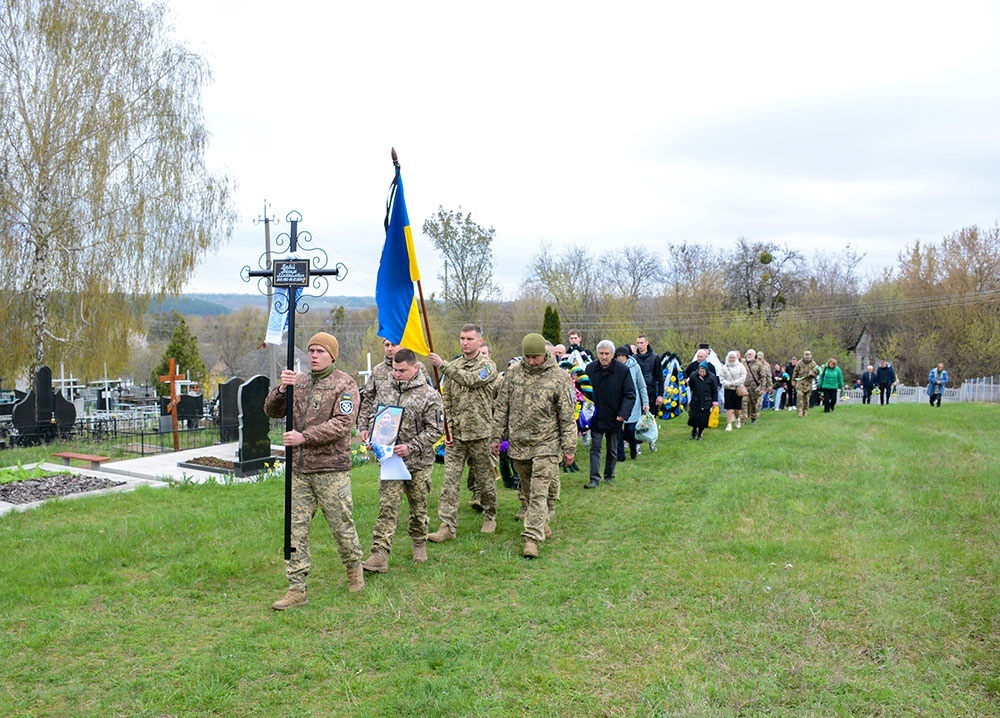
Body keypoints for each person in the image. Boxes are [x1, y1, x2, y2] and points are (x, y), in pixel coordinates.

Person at [264, 332, 364, 610]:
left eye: (321, 351)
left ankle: (354, 569)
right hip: (300, 470)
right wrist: (282, 389)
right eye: (311, 351)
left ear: (332, 355)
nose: (315, 355)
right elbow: (272, 411)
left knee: (341, 525)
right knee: (295, 530)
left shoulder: (345, 384)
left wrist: (304, 437)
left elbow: (343, 424)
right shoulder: (301, 382)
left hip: (331, 469)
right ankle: (297, 587)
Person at [491, 334, 576, 558]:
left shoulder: (559, 377)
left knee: (539, 491)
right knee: (528, 490)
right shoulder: (513, 374)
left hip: (547, 443)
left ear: (544, 355)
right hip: (519, 443)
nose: (531, 361)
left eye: (535, 357)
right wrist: (496, 437)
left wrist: (569, 447)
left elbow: (567, 416)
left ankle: (531, 538)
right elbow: (502, 408)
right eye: (527, 357)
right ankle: (542, 523)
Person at [360, 349, 443, 574]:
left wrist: (411, 447)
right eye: (395, 370)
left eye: (402, 370)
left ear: (415, 368)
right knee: (387, 506)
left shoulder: (429, 395)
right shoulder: (385, 388)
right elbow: (374, 413)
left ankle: (419, 541)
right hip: (390, 460)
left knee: (418, 506)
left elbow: (435, 430)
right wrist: (369, 433)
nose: (397, 374)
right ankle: (380, 554)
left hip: (418, 462)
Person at [427, 324, 499, 541]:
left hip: (480, 433)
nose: (465, 343)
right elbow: (445, 397)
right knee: (450, 481)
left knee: (485, 479)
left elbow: (472, 380)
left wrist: (443, 366)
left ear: (479, 341)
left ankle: (490, 515)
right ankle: (447, 525)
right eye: (462, 338)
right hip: (456, 434)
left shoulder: (488, 366)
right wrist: (446, 428)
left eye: (469, 339)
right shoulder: (454, 365)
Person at [584, 340, 635, 489]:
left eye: (607, 354)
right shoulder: (590, 369)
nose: (604, 357)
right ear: (597, 354)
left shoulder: (622, 370)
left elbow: (630, 394)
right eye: (601, 353)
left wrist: (623, 413)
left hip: (615, 416)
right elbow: (584, 391)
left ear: (612, 355)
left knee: (612, 449)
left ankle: (609, 474)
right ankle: (594, 478)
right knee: (595, 447)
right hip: (597, 417)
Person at [615, 345, 648, 461]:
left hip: (633, 403)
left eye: (622, 356)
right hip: (617, 403)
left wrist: (646, 402)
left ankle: (633, 447)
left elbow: (642, 386)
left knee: (630, 430)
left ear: (627, 356)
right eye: (618, 356)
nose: (620, 358)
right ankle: (620, 455)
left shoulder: (635, 367)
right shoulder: (613, 368)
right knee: (617, 430)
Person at [634, 335, 664, 426]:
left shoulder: (655, 358)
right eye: (638, 343)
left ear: (647, 343)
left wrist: (660, 395)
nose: (640, 345)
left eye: (642, 343)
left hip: (650, 391)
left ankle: (650, 436)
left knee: (650, 417)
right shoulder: (633, 358)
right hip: (637, 392)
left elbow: (660, 377)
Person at [686, 362, 720, 440]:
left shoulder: (711, 377)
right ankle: (694, 431)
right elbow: (690, 386)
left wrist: (715, 401)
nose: (701, 373)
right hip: (695, 400)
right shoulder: (693, 376)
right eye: (700, 371)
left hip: (706, 400)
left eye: (703, 371)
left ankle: (700, 433)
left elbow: (715, 390)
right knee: (694, 417)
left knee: (703, 418)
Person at [718, 351, 747, 431]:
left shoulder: (740, 366)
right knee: (729, 407)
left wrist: (735, 383)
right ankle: (729, 424)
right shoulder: (724, 367)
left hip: (738, 389)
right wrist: (728, 384)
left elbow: (743, 376)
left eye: (733, 357)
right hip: (728, 389)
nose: (732, 359)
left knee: (737, 408)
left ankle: (737, 419)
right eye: (730, 357)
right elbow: (721, 377)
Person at [741, 349, 767, 425]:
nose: (748, 356)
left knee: (753, 404)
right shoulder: (742, 363)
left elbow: (763, 376)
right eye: (747, 354)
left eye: (750, 354)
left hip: (754, 388)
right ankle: (743, 419)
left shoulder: (758, 364)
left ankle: (753, 417)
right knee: (744, 402)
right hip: (744, 387)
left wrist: (762, 388)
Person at [791, 351, 820, 417]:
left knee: (807, 399)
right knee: (800, 396)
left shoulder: (813, 364)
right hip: (800, 383)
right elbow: (795, 372)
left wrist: (813, 374)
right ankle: (800, 411)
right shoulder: (799, 363)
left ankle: (805, 411)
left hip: (808, 383)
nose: (807, 358)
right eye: (806, 357)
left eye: (808, 357)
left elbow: (817, 373)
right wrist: (793, 381)